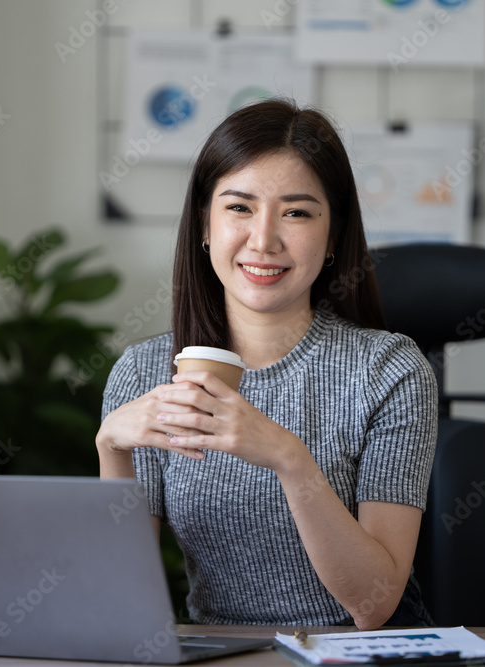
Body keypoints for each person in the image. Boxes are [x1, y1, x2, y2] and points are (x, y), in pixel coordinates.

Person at [96, 99, 437, 629]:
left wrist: (288, 458)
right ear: (205, 224)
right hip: (217, 654)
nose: (263, 240)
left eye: (297, 212)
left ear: (332, 237)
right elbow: (116, 595)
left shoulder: (389, 372)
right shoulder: (144, 373)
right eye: (239, 207)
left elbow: (374, 605)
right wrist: (111, 448)